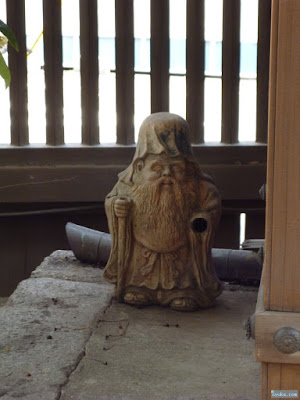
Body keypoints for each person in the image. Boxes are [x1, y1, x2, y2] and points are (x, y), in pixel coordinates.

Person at [103, 112, 222, 311]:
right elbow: (113, 200)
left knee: (184, 287)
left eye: (176, 168)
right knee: (137, 287)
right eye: (157, 168)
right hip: (141, 258)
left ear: (189, 167)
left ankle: (186, 291)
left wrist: (202, 220)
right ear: (140, 166)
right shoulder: (128, 184)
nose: (167, 175)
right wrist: (117, 207)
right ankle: (139, 288)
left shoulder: (200, 188)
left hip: (183, 261)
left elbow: (211, 207)